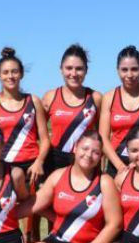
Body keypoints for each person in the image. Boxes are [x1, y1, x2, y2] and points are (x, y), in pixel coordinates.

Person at [0, 47, 49, 185]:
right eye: (5, 72)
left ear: (22, 73)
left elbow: (45, 139)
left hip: (31, 167)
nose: (10, 76)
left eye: (14, 71)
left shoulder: (34, 101)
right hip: (3, 167)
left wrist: (39, 162)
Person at [99, 45, 139, 177]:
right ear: (117, 70)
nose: (129, 75)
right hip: (117, 165)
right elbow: (103, 138)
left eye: (134, 69)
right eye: (124, 70)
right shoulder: (109, 97)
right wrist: (120, 167)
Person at [42, 44, 103, 173]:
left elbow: (101, 136)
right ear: (61, 69)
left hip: (85, 160)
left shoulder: (95, 98)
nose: (73, 73)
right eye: (69, 68)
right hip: (53, 162)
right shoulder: (50, 96)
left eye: (79, 69)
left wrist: (99, 166)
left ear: (86, 70)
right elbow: (36, 132)